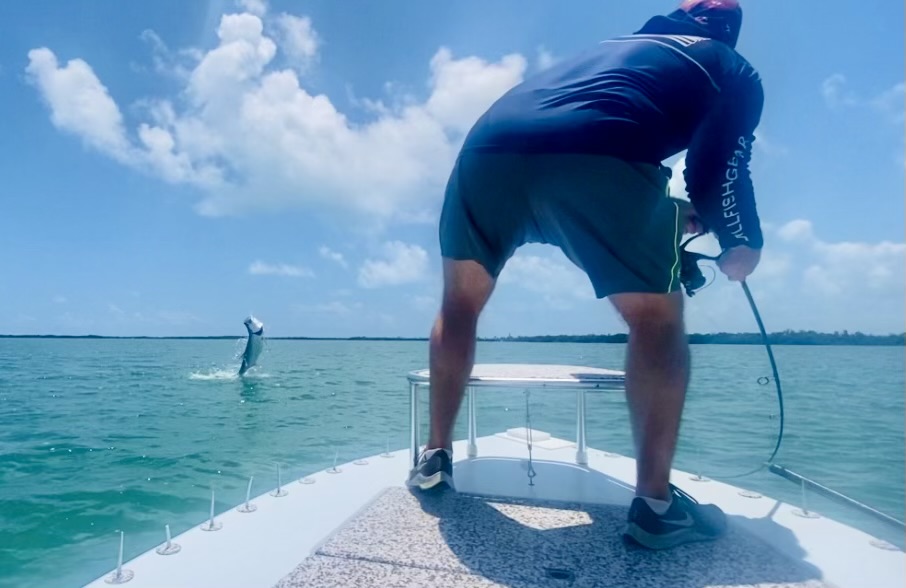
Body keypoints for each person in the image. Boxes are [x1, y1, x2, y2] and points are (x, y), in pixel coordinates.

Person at [407, 0, 764, 550]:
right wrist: (743, 240)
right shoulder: (730, 66)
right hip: (601, 149)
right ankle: (657, 508)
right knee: (656, 318)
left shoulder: (613, 48)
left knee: (459, 304)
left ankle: (434, 456)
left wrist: (672, 213)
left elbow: (565, 144)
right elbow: (717, 169)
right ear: (727, 33)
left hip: (486, 151)